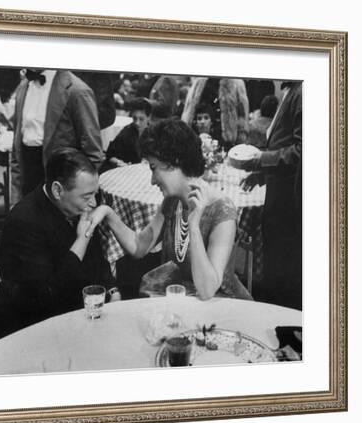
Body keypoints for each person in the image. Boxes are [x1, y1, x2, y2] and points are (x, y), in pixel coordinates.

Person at [87, 118, 251, 300]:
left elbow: (207, 290)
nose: (152, 180)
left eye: (153, 167)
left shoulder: (222, 211)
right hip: (181, 297)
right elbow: (139, 247)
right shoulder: (172, 202)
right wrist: (108, 213)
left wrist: (194, 227)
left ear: (175, 161)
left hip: (219, 305)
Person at [0, 148, 118, 336]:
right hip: (31, 323)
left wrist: (112, 290)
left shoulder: (76, 205)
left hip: (72, 308)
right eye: (86, 196)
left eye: (95, 193)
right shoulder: (24, 221)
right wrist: (82, 240)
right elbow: (48, 294)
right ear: (58, 190)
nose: (94, 203)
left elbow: (97, 259)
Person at [239, 81, 302, 310]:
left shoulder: (302, 91)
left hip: (289, 203)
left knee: (282, 275)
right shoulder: (291, 92)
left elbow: (302, 152)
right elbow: (286, 145)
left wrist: (260, 160)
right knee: (274, 265)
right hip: (277, 194)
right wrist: (261, 175)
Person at [10, 69, 103, 204]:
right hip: (28, 181)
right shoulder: (23, 88)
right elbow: (16, 150)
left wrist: (80, 200)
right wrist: (15, 198)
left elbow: (93, 152)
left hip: (63, 186)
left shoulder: (77, 90)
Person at [181, 77, 249, 150]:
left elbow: (242, 115)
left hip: (228, 140)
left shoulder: (236, 83)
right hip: (200, 138)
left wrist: (241, 141)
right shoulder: (198, 82)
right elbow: (188, 112)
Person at [101, 98, 151, 170]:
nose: (137, 123)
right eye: (134, 118)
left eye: (141, 119)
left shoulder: (154, 133)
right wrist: (120, 163)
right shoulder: (126, 133)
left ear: (149, 117)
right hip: (127, 169)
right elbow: (110, 156)